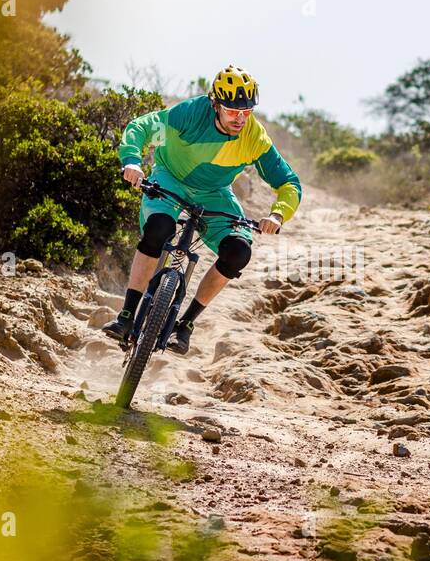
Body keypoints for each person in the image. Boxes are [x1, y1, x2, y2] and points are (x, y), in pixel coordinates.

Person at [101, 64, 302, 355]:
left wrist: (277, 214)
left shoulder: (254, 137)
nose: (241, 118)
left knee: (238, 252)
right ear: (215, 103)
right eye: (233, 110)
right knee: (159, 229)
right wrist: (132, 160)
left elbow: (289, 182)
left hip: (214, 194)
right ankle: (127, 316)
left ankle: (185, 325)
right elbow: (143, 127)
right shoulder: (192, 114)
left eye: (247, 111)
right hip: (171, 177)